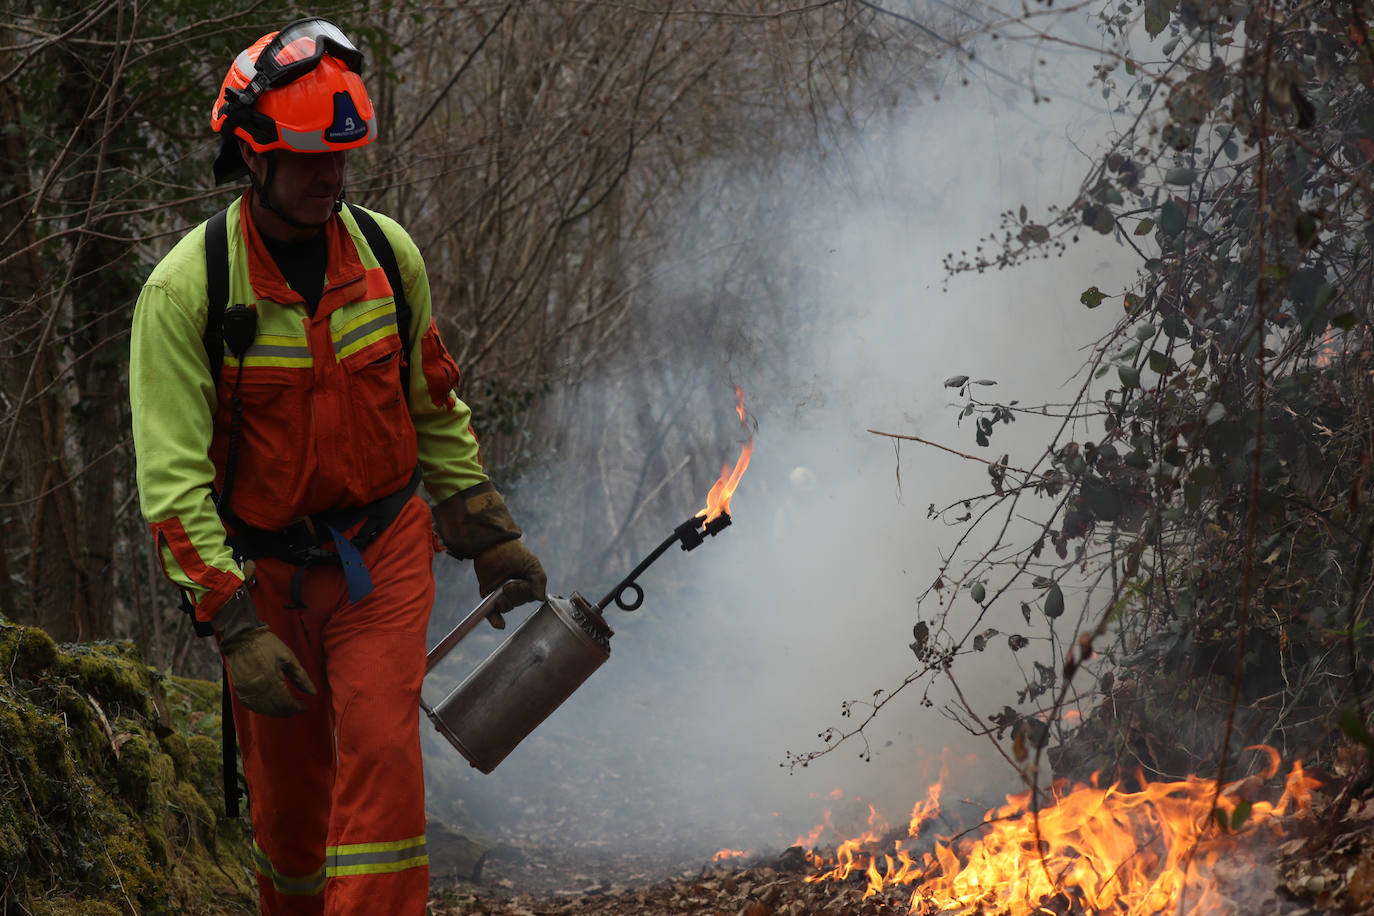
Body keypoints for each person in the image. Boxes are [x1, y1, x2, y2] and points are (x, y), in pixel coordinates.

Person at [129, 18, 547, 915]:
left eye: (341, 160)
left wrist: (486, 532)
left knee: (383, 754)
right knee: (290, 814)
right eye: (309, 160)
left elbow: (433, 408)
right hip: (265, 569)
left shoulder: (388, 257)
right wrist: (234, 624)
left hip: (383, 551)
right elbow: (171, 486)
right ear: (254, 158)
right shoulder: (186, 292)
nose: (330, 178)